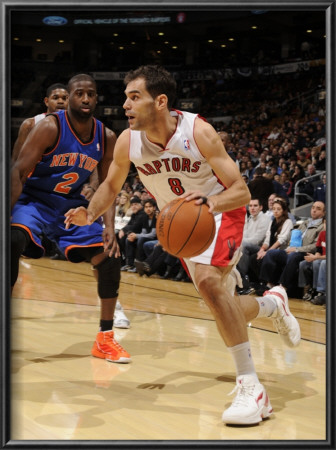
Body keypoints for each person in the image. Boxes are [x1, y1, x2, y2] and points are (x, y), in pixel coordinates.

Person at [64, 65, 301, 425]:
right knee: (219, 301)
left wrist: (210, 205)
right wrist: (90, 213)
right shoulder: (129, 140)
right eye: (124, 97)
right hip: (182, 225)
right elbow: (111, 186)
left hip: (220, 212)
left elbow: (241, 191)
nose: (125, 105)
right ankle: (271, 305)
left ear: (160, 101)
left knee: (207, 282)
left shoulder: (198, 131)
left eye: (134, 97)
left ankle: (252, 388)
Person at [11, 73, 131, 363]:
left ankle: (105, 339)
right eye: (79, 93)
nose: (85, 99)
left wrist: (109, 228)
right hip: (35, 201)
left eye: (91, 94)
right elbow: (16, 171)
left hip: (71, 209)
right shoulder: (49, 127)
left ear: (97, 97)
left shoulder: (107, 136)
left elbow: (108, 186)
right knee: (11, 241)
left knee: (109, 256)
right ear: (70, 96)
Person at [258, 201, 325, 296]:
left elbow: (315, 246)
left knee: (293, 256)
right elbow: (293, 238)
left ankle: (283, 286)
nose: (314, 210)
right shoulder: (305, 223)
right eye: (313, 207)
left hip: (306, 253)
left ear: (323, 213)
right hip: (293, 249)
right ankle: (268, 284)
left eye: (318, 209)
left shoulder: (322, 227)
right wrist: (290, 246)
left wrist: (297, 249)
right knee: (272, 253)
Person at [247, 198, 293, 295]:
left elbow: (281, 240)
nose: (275, 211)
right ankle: (258, 282)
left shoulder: (288, 222)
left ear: (283, 210)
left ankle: (268, 284)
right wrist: (262, 249)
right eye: (274, 209)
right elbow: (267, 239)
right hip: (272, 251)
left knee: (270, 254)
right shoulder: (272, 222)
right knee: (253, 258)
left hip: (283, 251)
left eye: (278, 209)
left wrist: (267, 251)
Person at [236, 198, 271, 294]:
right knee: (234, 245)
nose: (252, 208)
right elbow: (243, 235)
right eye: (250, 206)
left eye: (255, 206)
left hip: (260, 248)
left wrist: (239, 242)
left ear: (261, 207)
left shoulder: (265, 219)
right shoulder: (250, 218)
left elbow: (257, 239)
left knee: (242, 245)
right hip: (248, 245)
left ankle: (244, 277)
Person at [298, 218, 326, 305]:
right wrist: (316, 255)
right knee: (303, 263)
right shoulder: (322, 234)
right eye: (326, 223)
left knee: (321, 263)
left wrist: (316, 258)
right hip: (321, 257)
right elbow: (318, 249)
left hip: (327, 259)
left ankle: (321, 291)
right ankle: (309, 289)